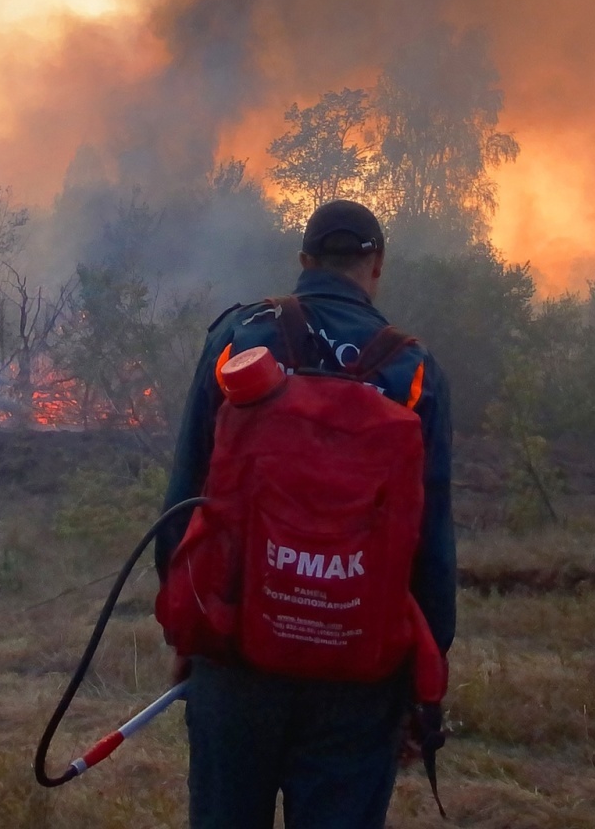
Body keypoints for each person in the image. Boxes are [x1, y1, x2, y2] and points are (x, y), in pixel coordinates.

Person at [155, 199, 456, 829]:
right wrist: (421, 683)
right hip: (359, 670)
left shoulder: (237, 338)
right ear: (375, 266)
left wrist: (190, 634)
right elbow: (430, 543)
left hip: (237, 659)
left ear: (303, 262)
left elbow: (185, 498)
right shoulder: (412, 369)